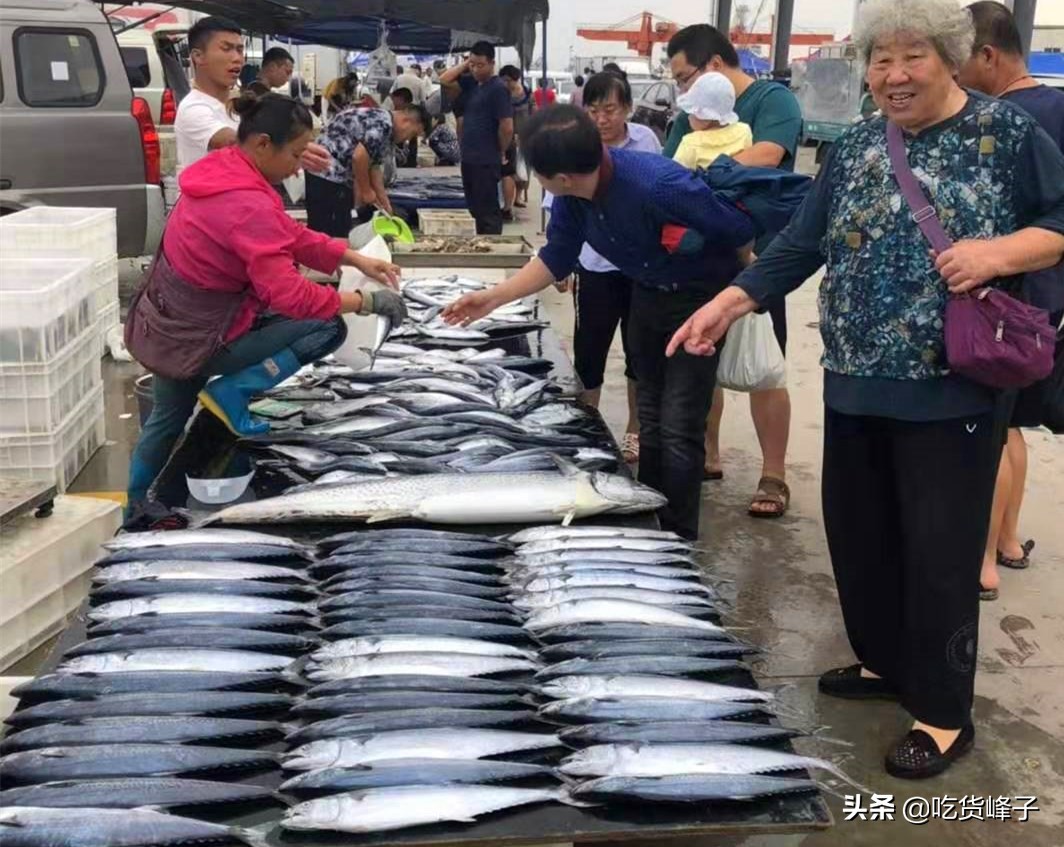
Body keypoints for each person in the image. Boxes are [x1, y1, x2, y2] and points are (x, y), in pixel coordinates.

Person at [667, 0, 1064, 776]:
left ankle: (945, 713)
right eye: (880, 59)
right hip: (854, 381)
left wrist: (995, 253)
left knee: (938, 553)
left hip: (954, 388)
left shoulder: (1007, 134)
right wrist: (728, 300)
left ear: (952, 56)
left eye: (912, 56)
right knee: (861, 540)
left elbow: (1059, 220)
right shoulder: (853, 147)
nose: (893, 74)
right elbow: (801, 245)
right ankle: (887, 662)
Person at [442, 106, 755, 539]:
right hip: (645, 292)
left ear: (563, 178)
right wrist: (493, 298)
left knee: (681, 421)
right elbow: (557, 256)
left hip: (697, 301)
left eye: (542, 179)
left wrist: (738, 300)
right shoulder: (574, 199)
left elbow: (738, 230)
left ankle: (677, 539)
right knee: (650, 414)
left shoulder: (658, 184)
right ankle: (652, 514)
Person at [126, 93, 406, 507]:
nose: (298, 166)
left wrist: (351, 256)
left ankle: (134, 512)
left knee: (165, 423)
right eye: (294, 154)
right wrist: (363, 301)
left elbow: (288, 236)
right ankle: (232, 392)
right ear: (261, 144)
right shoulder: (247, 202)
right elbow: (290, 295)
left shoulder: (222, 171)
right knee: (328, 324)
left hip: (166, 326)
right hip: (204, 336)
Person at [666, 24, 802, 517]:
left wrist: (704, 178)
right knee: (705, 356)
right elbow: (670, 170)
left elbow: (767, 157)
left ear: (714, 66)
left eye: (685, 77)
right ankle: (709, 452)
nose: (682, 90)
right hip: (701, 259)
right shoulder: (689, 116)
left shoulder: (773, 102)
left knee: (768, 367)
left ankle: (774, 474)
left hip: (762, 258)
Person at [958, 0, 1064, 600]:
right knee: (1014, 422)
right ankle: (1008, 539)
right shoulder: (1059, 103)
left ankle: (979, 563)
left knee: (988, 427)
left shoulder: (997, 118)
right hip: (1045, 294)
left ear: (987, 55)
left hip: (1001, 296)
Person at [555, 72, 661, 463]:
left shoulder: (646, 142)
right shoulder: (574, 144)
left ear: (628, 109)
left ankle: (635, 431)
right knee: (589, 351)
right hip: (594, 268)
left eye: (610, 110)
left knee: (639, 353)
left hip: (640, 269)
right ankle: (589, 427)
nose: (601, 119)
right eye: (594, 110)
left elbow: (661, 195)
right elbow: (558, 205)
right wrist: (561, 262)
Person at [176, 17, 328, 176]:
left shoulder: (237, 103)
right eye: (226, 49)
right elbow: (237, 142)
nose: (237, 58)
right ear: (198, 56)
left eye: (240, 50)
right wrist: (296, 148)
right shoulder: (193, 107)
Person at [305, 103, 428, 237]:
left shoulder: (384, 127)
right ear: (406, 121)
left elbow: (374, 167)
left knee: (336, 228)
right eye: (413, 134)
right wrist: (366, 191)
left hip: (330, 175)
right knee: (330, 231)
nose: (408, 139)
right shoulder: (382, 125)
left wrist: (384, 203)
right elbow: (359, 157)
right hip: (327, 173)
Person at [439, 44, 514, 235]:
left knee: (487, 209)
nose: (475, 69)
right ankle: (482, 241)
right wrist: (467, 63)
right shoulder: (472, 84)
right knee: (474, 207)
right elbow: (444, 79)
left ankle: (493, 245)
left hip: (487, 158)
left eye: (480, 65)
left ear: (492, 64)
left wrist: (501, 149)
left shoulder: (498, 89)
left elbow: (506, 126)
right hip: (469, 157)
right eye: (472, 65)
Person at [672, 72, 753, 170]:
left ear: (705, 118)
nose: (689, 117)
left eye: (692, 112)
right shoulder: (743, 131)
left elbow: (676, 174)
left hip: (703, 185)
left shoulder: (691, 143)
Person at [500, 66, 535, 209]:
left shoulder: (527, 93)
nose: (506, 84)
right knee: (509, 169)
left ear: (516, 79)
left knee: (524, 169)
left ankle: (519, 196)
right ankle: (507, 198)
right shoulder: (502, 94)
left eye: (508, 80)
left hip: (525, 135)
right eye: (503, 80)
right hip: (508, 135)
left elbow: (534, 112)